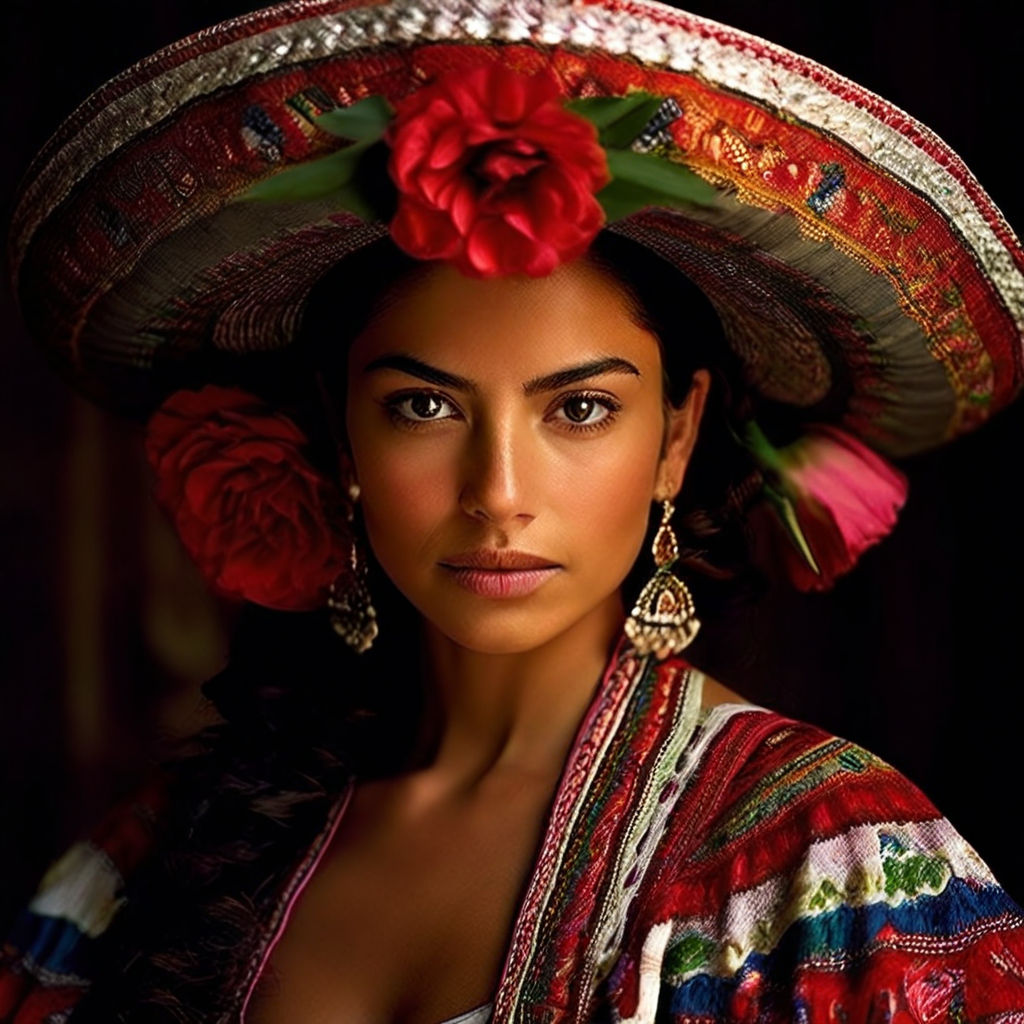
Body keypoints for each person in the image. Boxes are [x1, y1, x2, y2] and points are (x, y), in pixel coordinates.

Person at [3, 1, 1024, 1022]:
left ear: (675, 436)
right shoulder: (157, 853)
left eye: (579, 408)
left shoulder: (830, 863)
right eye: (424, 406)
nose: (496, 492)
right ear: (341, 430)